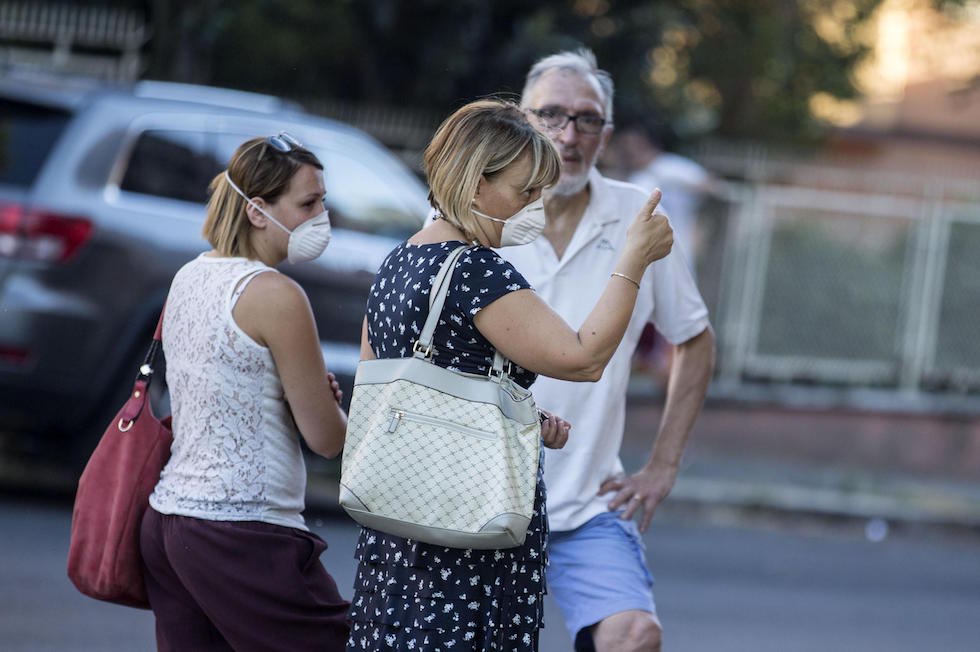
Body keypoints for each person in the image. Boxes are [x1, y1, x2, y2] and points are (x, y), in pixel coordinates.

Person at [346, 98, 673, 652]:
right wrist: (634, 260)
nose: (536, 206)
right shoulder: (476, 269)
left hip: (400, 529)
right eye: (525, 192)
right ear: (476, 185)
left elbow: (390, 382)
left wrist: (513, 411)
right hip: (464, 534)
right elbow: (583, 357)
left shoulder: (399, 261)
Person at [498, 49, 716, 652]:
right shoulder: (484, 210)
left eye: (586, 119)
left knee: (635, 636)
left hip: (588, 501)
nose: (569, 135)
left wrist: (664, 464)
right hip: (478, 495)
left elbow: (694, 340)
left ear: (607, 134)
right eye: (551, 115)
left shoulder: (638, 215)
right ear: (521, 120)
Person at [140, 133, 351, 651]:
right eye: (309, 203)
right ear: (258, 211)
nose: (322, 216)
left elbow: (230, 384)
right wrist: (328, 408)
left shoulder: (189, 275)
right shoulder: (278, 295)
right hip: (244, 532)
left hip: (168, 525)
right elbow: (327, 439)